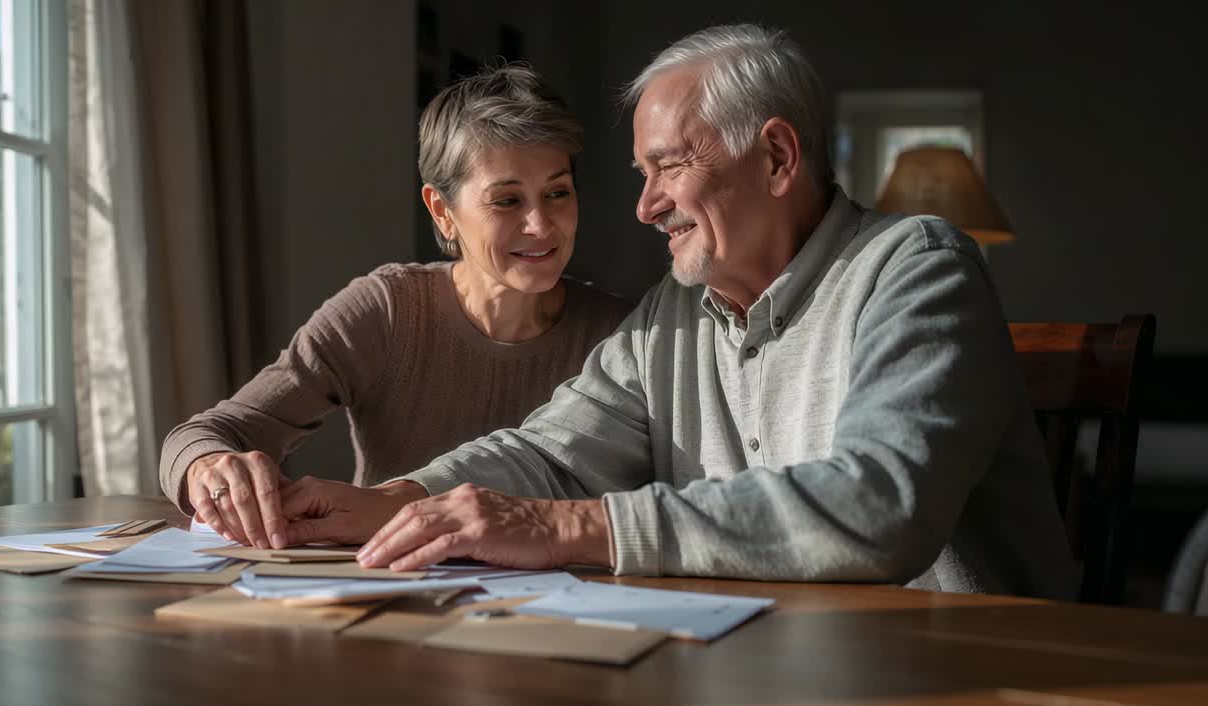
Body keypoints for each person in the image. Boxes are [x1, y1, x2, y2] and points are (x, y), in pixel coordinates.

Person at [278, 25, 1076, 599]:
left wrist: (564, 528)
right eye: (639, 173)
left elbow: (880, 505)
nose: (644, 206)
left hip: (961, 676)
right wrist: (402, 499)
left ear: (776, 158)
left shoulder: (917, 268)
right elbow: (553, 455)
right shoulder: (674, 314)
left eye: (667, 167)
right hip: (770, 669)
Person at [159, 64, 633, 551]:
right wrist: (208, 466)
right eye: (507, 200)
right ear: (442, 212)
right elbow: (210, 432)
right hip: (390, 591)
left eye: (557, 192)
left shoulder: (625, 335)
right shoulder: (387, 311)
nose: (541, 224)